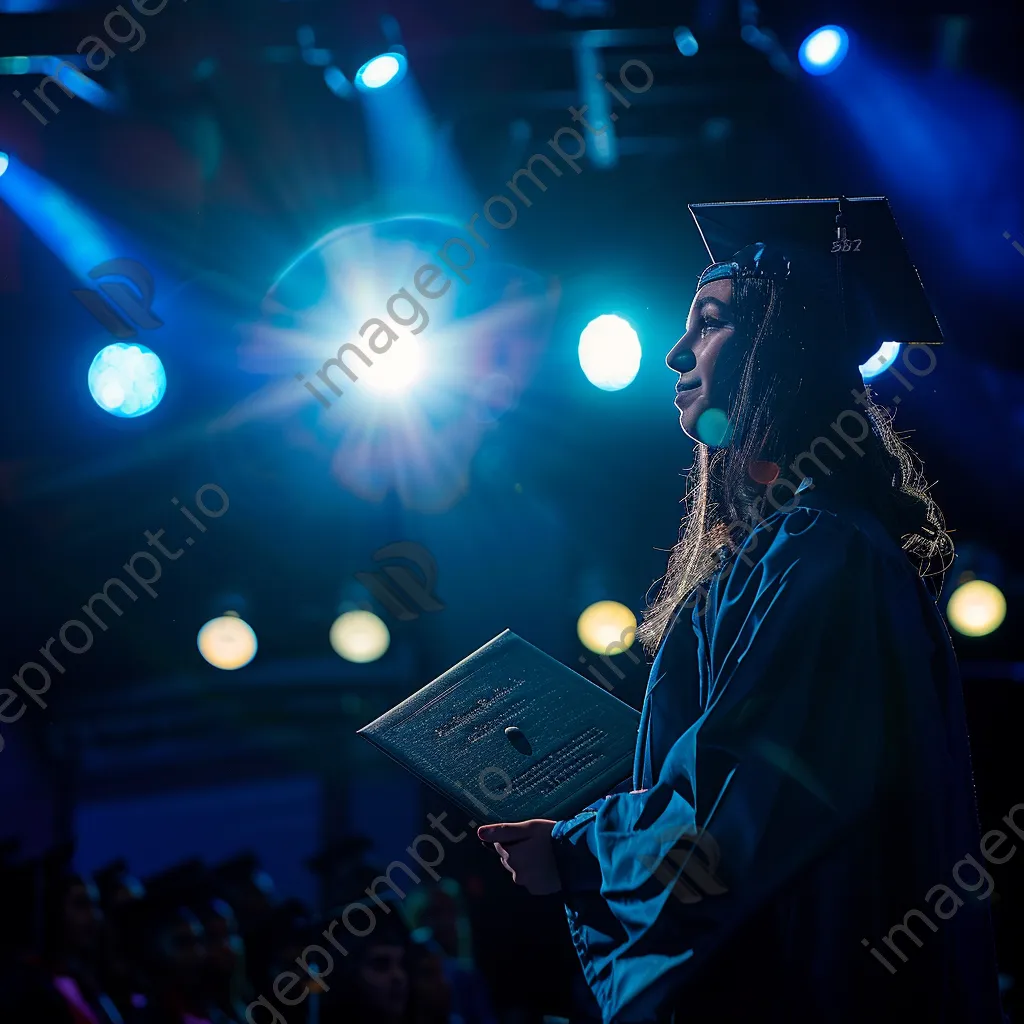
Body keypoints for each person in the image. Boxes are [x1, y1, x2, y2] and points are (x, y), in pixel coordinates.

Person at [478, 198, 1007, 1022]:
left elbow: (740, 806)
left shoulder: (822, 550)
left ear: (778, 350)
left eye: (712, 322)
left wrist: (575, 851)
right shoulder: (789, 551)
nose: (675, 351)